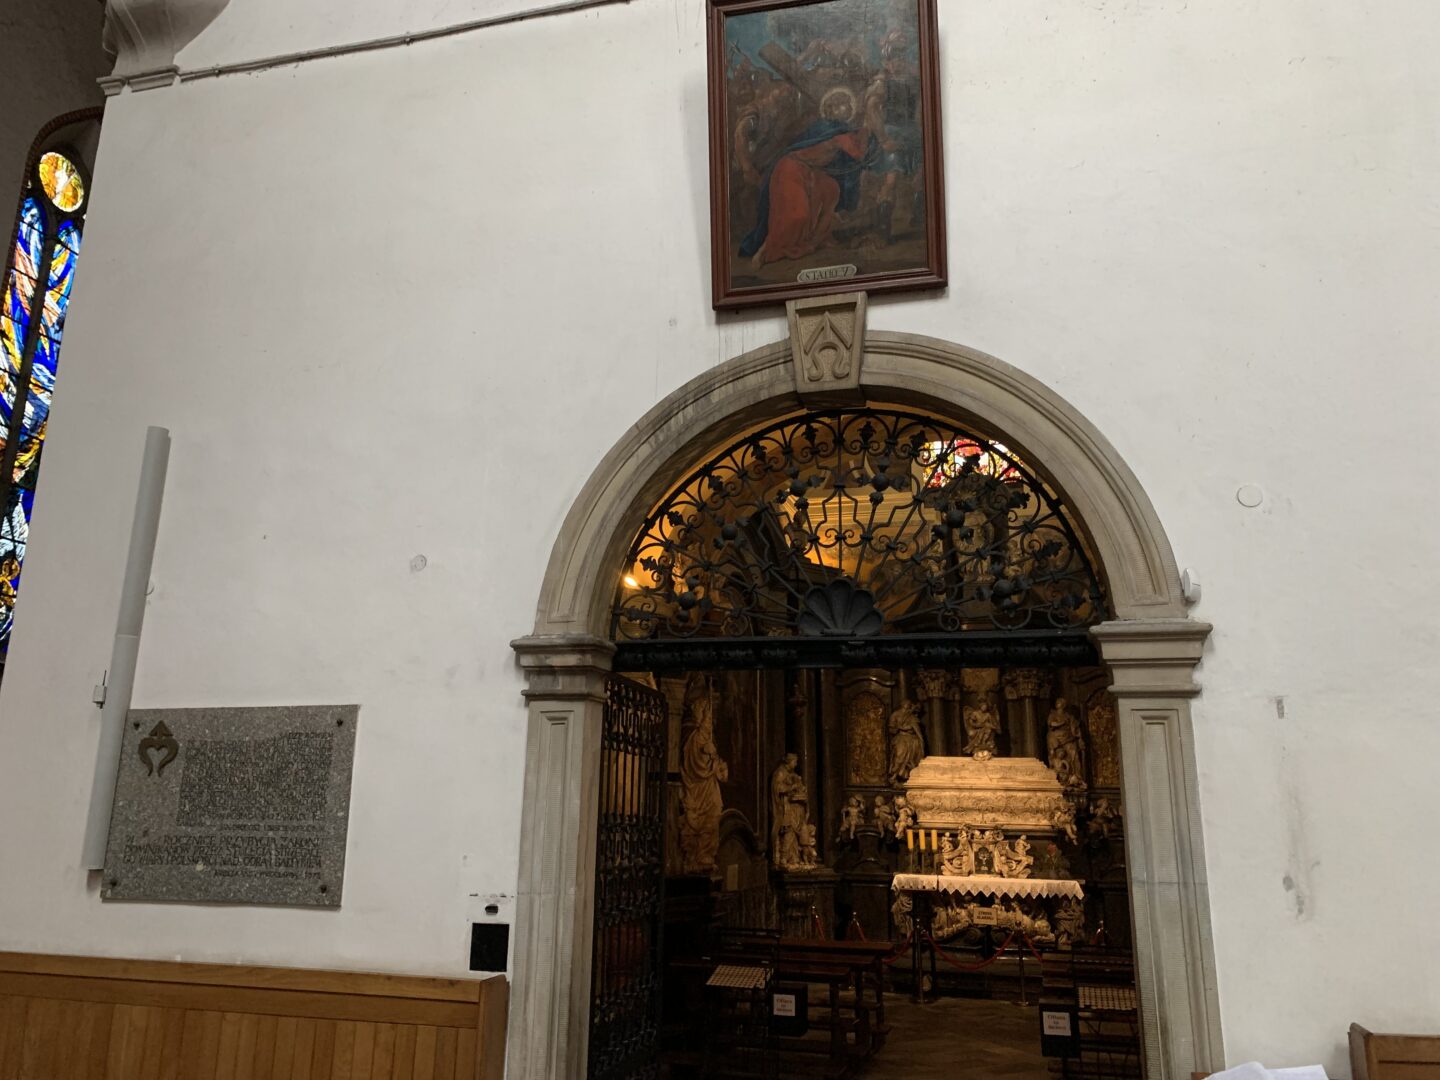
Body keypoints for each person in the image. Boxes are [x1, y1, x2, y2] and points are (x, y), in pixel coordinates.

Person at [740, 87, 880, 269]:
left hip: (812, 171)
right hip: (790, 168)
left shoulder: (841, 130)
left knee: (831, 190)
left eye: (846, 104)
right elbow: (859, 154)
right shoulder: (832, 131)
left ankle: (815, 240)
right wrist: (868, 128)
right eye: (839, 105)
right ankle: (766, 250)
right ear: (830, 109)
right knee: (798, 216)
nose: (845, 107)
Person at [678, 697, 728, 874]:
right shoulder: (696, 739)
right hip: (698, 789)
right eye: (708, 717)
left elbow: (716, 765)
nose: (710, 722)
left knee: (713, 817)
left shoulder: (709, 739)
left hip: (710, 788)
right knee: (699, 821)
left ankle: (706, 855)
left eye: (711, 718)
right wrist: (710, 759)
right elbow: (694, 767)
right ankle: (697, 857)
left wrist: (718, 763)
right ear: (700, 718)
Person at [887, 699, 925, 785]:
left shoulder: (912, 717)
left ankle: (908, 776)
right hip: (901, 738)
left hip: (912, 740)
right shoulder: (895, 715)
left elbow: (917, 730)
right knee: (899, 757)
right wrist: (900, 728)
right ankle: (894, 776)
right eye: (907, 705)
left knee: (912, 758)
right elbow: (891, 729)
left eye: (909, 705)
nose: (908, 707)